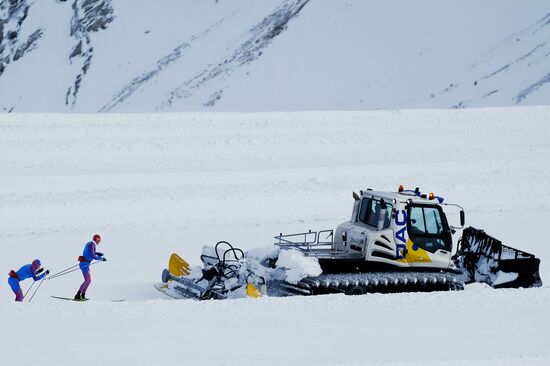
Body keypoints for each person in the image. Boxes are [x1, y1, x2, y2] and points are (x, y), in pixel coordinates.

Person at [75, 234, 107, 301]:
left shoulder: (90, 243)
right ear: (96, 239)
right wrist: (100, 258)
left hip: (85, 263)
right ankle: (78, 295)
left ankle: (83, 295)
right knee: (88, 280)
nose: (99, 242)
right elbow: (92, 255)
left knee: (88, 281)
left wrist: (97, 253)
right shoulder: (92, 244)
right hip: (84, 264)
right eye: (99, 240)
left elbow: (91, 252)